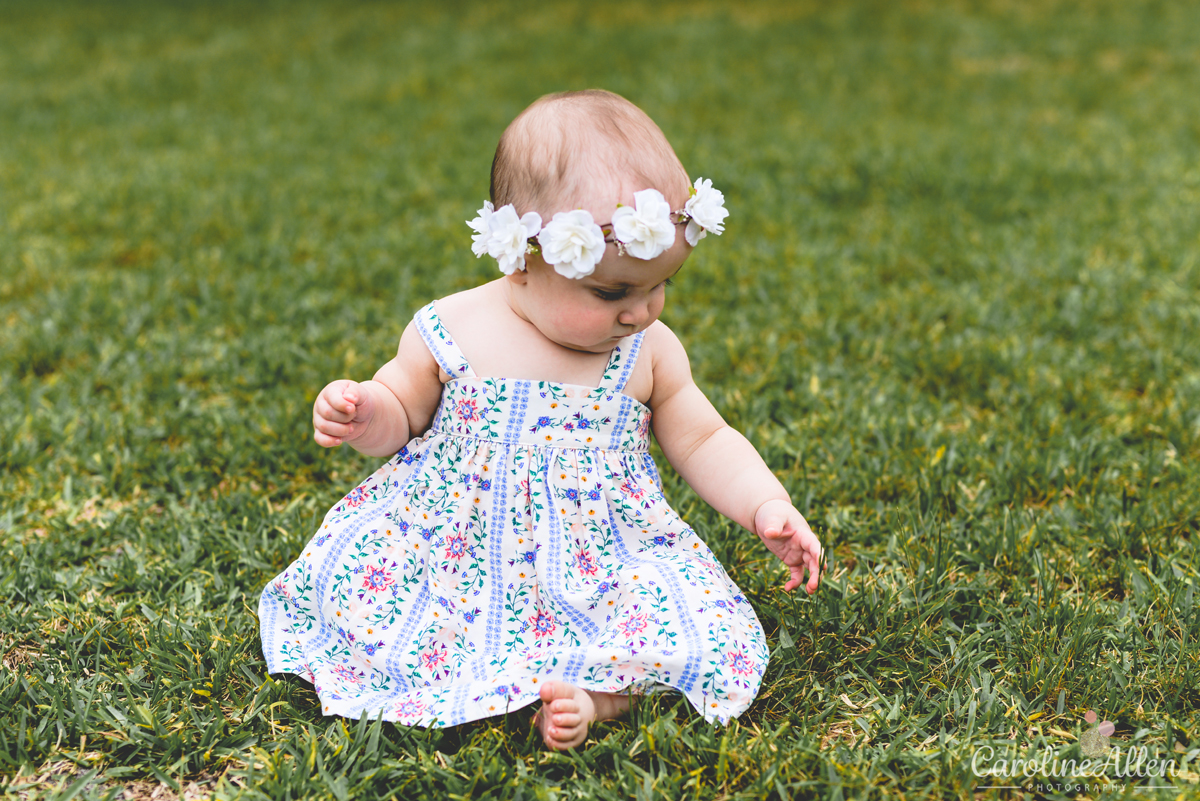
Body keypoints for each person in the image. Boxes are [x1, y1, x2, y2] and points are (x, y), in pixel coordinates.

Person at [259, 89, 822, 750]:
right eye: (613, 292)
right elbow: (402, 412)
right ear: (522, 260)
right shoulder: (454, 326)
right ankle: (509, 675)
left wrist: (765, 505)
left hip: (595, 560)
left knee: (671, 609)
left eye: (659, 285)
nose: (641, 311)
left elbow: (703, 438)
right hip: (455, 556)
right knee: (371, 602)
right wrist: (364, 412)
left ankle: (597, 696)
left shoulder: (649, 352)